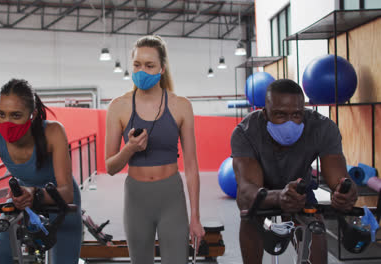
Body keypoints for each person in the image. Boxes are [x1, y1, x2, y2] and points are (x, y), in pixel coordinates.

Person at [231, 78, 358, 264]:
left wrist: (345, 193)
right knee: (248, 211)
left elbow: (339, 177)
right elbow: (246, 189)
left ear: (304, 111)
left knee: (315, 229)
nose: (289, 122)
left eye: (297, 115)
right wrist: (277, 197)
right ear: (265, 113)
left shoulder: (322, 128)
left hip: (299, 189)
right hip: (261, 192)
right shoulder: (246, 132)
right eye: (280, 115)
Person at [0, 79, 82, 264]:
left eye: (16, 115)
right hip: (21, 195)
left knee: (64, 258)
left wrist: (36, 193)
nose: (7, 122)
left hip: (58, 197)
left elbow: (67, 193)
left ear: (32, 115)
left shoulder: (53, 132)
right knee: (2, 251)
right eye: (1, 114)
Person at [105, 35, 205, 264]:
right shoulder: (118, 107)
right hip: (136, 198)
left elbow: (191, 166)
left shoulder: (181, 106)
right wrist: (129, 148)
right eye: (137, 65)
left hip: (171, 196)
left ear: (162, 68)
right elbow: (110, 167)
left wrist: (196, 217)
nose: (143, 71)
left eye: (149, 66)